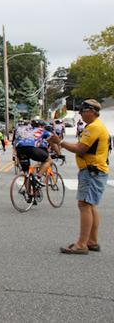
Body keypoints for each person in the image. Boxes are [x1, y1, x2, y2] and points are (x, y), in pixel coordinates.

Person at [50, 100, 110, 254]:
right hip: (96, 170)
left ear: (91, 111)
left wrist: (60, 142)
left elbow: (80, 149)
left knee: (84, 205)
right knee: (90, 205)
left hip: (92, 171)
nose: (80, 113)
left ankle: (82, 244)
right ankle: (92, 241)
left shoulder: (94, 127)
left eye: (83, 110)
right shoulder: (96, 126)